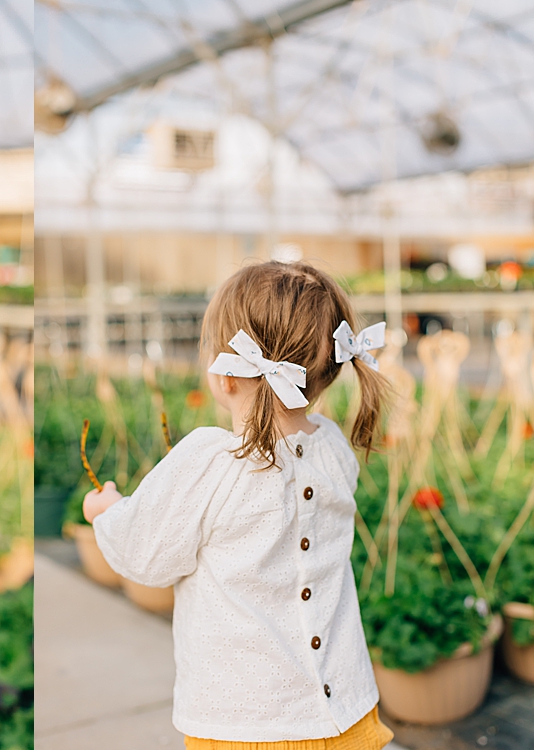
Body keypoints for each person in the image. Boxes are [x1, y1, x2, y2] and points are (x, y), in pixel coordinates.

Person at [84, 261, 394, 749]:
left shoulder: (213, 462)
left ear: (227, 376)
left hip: (246, 727)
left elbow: (144, 555)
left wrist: (108, 512)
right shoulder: (333, 448)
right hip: (349, 716)